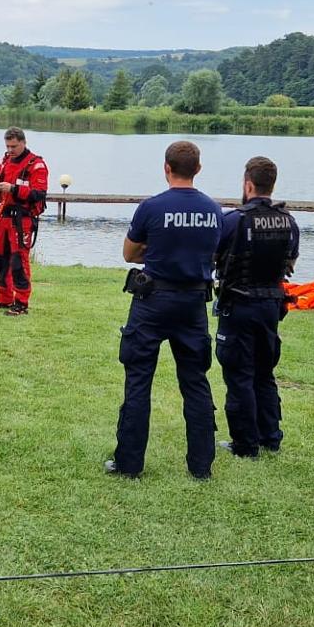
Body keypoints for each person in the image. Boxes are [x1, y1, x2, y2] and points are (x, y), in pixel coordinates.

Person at [107, 141, 224, 479]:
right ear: (198, 169)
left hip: (153, 300)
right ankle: (201, 466)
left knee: (138, 380)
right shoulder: (214, 210)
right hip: (193, 303)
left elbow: (129, 254)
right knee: (195, 382)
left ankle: (129, 464)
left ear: (166, 168)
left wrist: (157, 249)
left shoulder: (152, 207)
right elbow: (213, 253)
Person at [214, 156, 300, 459]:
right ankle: (270, 436)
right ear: (271, 185)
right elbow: (290, 262)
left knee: (239, 373)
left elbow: (213, 256)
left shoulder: (234, 220)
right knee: (264, 372)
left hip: (239, 304)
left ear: (248, 185)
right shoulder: (288, 221)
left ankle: (245, 444)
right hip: (271, 305)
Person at [0, 127, 48, 315]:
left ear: (23, 143)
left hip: (21, 220)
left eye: (14, 146)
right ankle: (4, 299)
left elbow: (39, 194)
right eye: (7, 146)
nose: (10, 150)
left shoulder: (36, 165)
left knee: (19, 262)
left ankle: (21, 303)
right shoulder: (4, 162)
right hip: (2, 218)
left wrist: (12, 189)